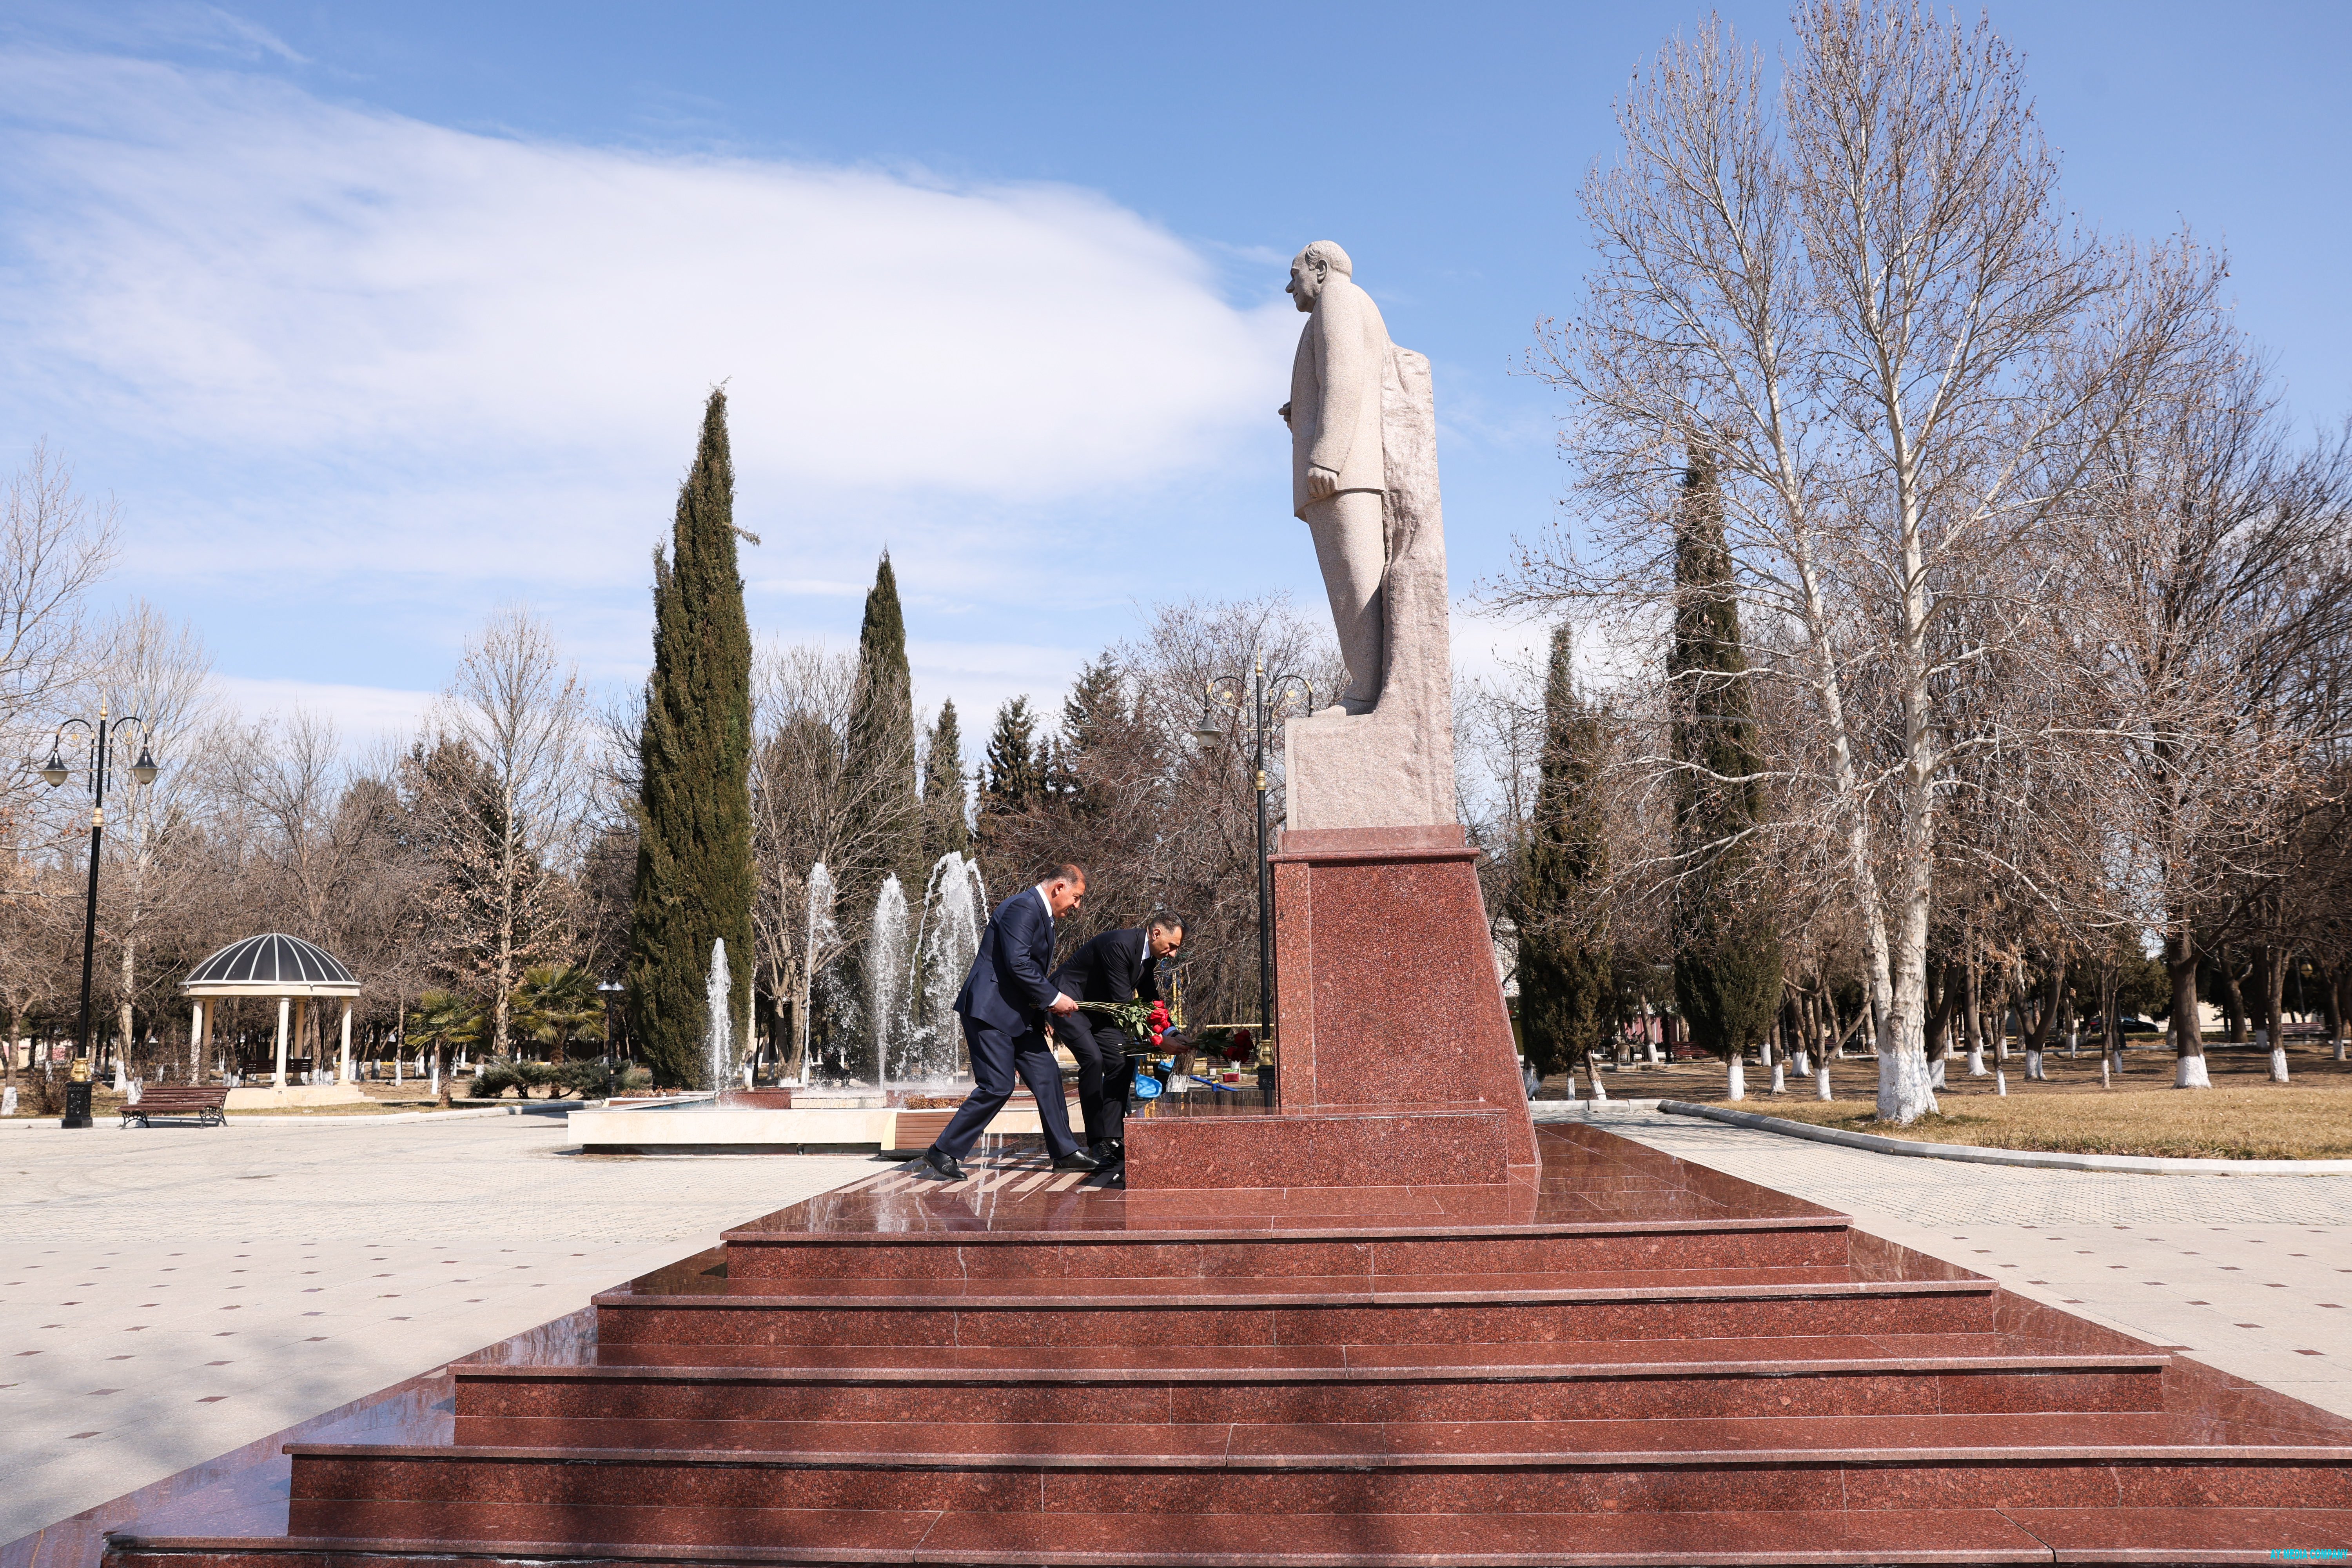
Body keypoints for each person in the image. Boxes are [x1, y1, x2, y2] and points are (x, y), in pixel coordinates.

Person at [920, 864, 1097, 1181]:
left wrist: (1044, 1010)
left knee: (1047, 1075)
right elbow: (1018, 963)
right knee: (998, 1086)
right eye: (1076, 897)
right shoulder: (1023, 907)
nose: (1077, 906)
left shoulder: (1040, 914)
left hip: (1018, 1017)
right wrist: (1055, 999)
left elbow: (1025, 970)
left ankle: (1066, 1153)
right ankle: (943, 1151)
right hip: (990, 1013)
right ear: (1059, 888)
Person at [1050, 911, 1185, 1166]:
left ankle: (1112, 1137)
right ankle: (1096, 1142)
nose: (1174, 954)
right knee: (1094, 1060)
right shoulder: (1120, 946)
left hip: (1099, 1012)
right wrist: (1159, 1040)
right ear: (1156, 934)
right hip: (1069, 1002)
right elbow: (1124, 1004)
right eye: (1172, 946)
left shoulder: (1147, 957)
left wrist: (1173, 1032)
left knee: (1124, 1059)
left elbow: (1150, 1000)